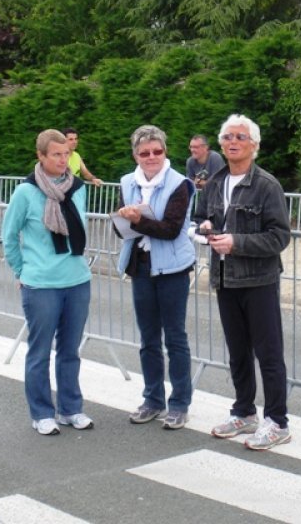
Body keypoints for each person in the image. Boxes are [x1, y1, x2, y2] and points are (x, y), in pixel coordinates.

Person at [195, 114, 292, 451]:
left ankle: (277, 421)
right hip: (224, 277)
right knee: (237, 351)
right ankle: (244, 412)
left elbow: (279, 237)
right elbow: (199, 218)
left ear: (254, 145)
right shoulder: (214, 182)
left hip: (259, 279)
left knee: (268, 352)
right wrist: (204, 228)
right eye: (227, 137)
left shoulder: (266, 185)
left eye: (240, 137)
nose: (232, 142)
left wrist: (236, 242)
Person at [1, 129, 93, 436]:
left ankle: (70, 409)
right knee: (39, 352)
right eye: (56, 154)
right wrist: (21, 271)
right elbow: (9, 236)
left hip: (77, 279)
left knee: (70, 350)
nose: (63, 160)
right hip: (41, 284)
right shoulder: (25, 192)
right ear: (40, 156)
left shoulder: (77, 187)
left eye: (66, 154)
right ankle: (41, 413)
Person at [115, 125, 195, 430]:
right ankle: (152, 399)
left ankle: (180, 403)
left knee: (175, 337)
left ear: (165, 151)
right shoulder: (127, 182)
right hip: (141, 266)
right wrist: (123, 220)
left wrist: (138, 220)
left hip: (173, 268)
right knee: (148, 338)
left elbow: (172, 229)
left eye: (157, 151)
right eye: (144, 152)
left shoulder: (180, 184)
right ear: (135, 154)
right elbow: (120, 224)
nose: (151, 157)